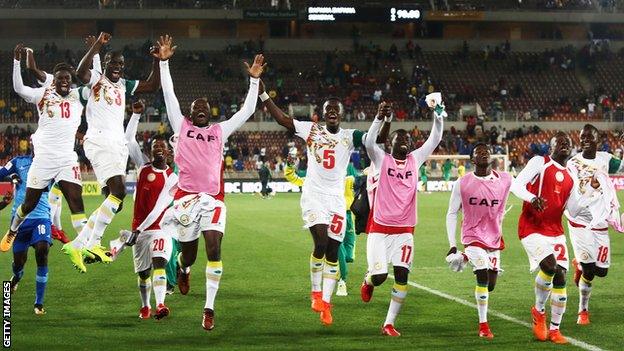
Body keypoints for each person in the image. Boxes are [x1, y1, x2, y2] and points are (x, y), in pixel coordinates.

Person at [157, 35, 264, 330]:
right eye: (196, 107)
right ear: (191, 113)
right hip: (185, 200)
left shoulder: (220, 131)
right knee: (188, 253)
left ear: (211, 112)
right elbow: (169, 95)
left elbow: (246, 112)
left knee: (214, 249)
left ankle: (209, 308)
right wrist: (164, 63)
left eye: (205, 107)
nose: (201, 109)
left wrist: (253, 82)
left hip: (213, 200)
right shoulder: (182, 126)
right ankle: (183, 268)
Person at [260, 83, 367, 326]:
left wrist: (384, 118)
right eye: (328, 109)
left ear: (341, 114)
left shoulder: (349, 136)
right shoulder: (311, 130)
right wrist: (263, 93)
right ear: (322, 113)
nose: (332, 112)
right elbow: (283, 119)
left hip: (337, 201)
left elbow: (376, 138)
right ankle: (315, 292)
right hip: (314, 195)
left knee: (332, 251)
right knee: (320, 242)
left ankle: (326, 304)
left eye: (336, 109)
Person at [60, 31, 161, 271]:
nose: (117, 67)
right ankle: (93, 242)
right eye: (113, 63)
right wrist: (96, 46)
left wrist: (158, 60)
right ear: (105, 64)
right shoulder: (96, 80)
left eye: (120, 64)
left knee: (114, 199)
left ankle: (77, 243)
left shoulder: (124, 85)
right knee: (118, 192)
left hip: (117, 145)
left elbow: (153, 85)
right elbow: (80, 73)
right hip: (100, 141)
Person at [360, 100, 444, 336]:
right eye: (400, 140)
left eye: (408, 140)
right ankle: (368, 281)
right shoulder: (381, 159)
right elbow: (368, 142)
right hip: (379, 229)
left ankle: (388, 323)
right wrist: (379, 117)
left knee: (402, 276)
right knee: (379, 276)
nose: (406, 142)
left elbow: (435, 139)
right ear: (391, 144)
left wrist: (438, 114)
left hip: (405, 231)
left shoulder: (415, 160)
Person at [2, 44, 89, 257]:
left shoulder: (79, 96)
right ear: (54, 80)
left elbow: (94, 82)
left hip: (67, 158)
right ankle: (13, 229)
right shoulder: (43, 94)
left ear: (71, 80)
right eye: (60, 78)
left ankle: (88, 244)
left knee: (76, 201)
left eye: (67, 78)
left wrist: (94, 54)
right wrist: (17, 62)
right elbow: (19, 88)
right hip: (43, 159)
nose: (64, 81)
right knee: (29, 204)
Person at [511, 132, 576, 344]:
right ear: (551, 148)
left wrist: (595, 204)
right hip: (531, 227)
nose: (564, 144)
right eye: (559, 142)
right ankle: (539, 312)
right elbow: (516, 185)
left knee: (561, 277)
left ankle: (555, 330)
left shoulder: (571, 177)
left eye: (568, 142)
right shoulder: (540, 162)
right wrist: (532, 198)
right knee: (550, 266)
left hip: (555, 231)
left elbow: (573, 210)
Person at [445, 143, 513, 339]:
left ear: (491, 158)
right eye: (478, 152)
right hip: (472, 237)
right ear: (473, 160)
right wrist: (452, 245)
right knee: (481, 275)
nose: (484, 154)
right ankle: (483, 326)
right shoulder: (462, 183)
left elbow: (522, 188)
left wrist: (533, 198)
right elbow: (451, 213)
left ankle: (466, 257)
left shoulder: (505, 179)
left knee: (490, 285)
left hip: (493, 239)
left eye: (487, 152)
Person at [123, 101, 178, 320]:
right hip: (139, 230)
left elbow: (160, 208)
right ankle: (145, 305)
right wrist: (136, 115)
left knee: (159, 263)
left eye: (162, 147)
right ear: (150, 150)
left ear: (167, 152)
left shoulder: (172, 178)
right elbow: (128, 141)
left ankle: (161, 304)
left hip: (161, 229)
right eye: (155, 146)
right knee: (143, 273)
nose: (158, 149)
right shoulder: (142, 167)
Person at [565, 124, 624, 325]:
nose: (586, 140)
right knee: (590, 271)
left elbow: (623, 165)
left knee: (601, 271)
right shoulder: (572, 163)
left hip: (599, 222)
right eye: (583, 137)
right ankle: (583, 311)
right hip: (579, 222)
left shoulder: (606, 159)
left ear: (598, 140)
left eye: (590, 136)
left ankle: (579, 265)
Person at [0, 153, 51, 315]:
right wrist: (11, 176)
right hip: (20, 219)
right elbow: (2, 171)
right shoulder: (19, 161)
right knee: (19, 262)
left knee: (42, 251)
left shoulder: (51, 162)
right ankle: (16, 277)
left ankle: (39, 303)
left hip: (41, 217)